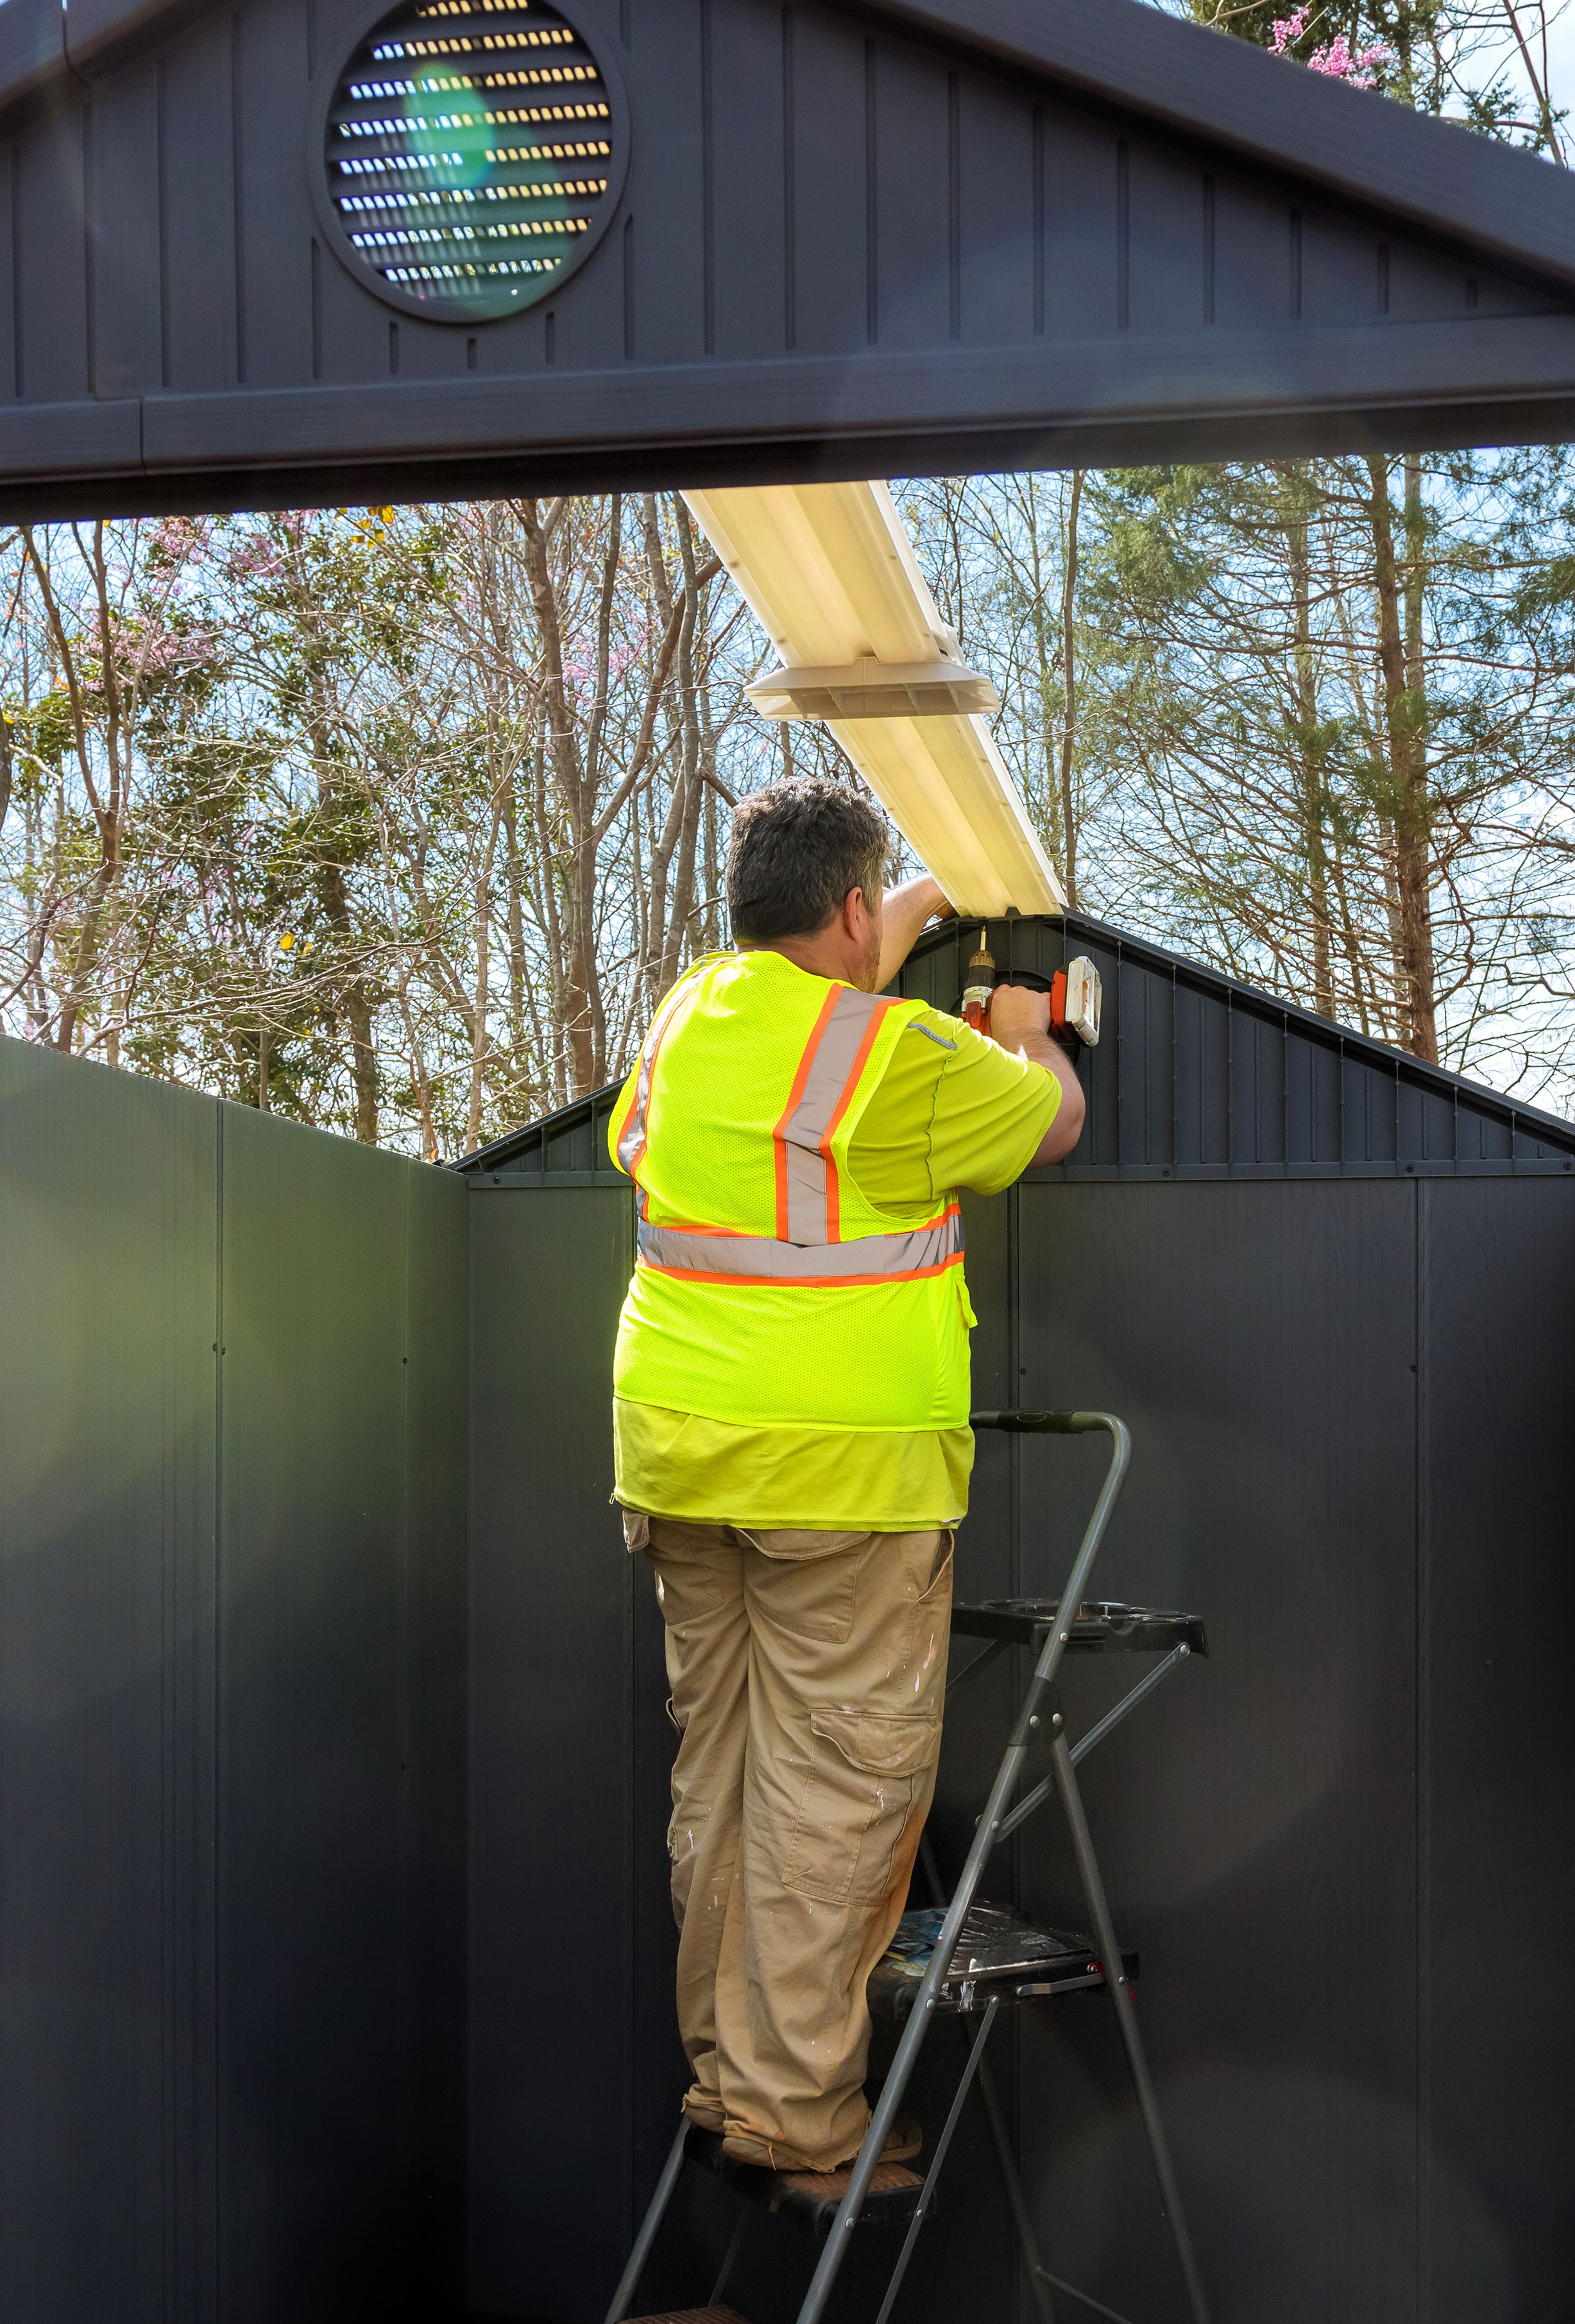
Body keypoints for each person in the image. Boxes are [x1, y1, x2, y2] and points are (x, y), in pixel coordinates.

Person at [607, 776, 1085, 2185]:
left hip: (678, 1460)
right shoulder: (891, 1057)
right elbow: (1047, 1126)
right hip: (842, 1478)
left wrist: (924, 896)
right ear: (853, 912)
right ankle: (794, 2110)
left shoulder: (691, 1015)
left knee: (724, 1782)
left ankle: (726, 2078)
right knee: (837, 1791)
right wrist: (1029, 1038)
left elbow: (789, 1031)